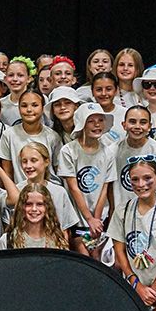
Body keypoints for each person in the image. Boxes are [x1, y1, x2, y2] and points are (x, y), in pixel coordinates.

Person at [107, 157, 156, 311]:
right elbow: (119, 251)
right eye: (135, 179)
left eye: (147, 178)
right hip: (134, 285)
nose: (141, 184)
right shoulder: (123, 211)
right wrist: (135, 283)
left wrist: (153, 290)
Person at [57, 102, 116, 258]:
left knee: (99, 259)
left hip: (99, 218)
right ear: (82, 124)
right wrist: (88, 219)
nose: (97, 125)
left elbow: (105, 187)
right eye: (91, 121)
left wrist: (96, 220)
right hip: (77, 218)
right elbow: (73, 187)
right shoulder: (68, 151)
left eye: (100, 120)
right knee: (84, 258)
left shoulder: (108, 152)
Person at [112, 105, 156, 208]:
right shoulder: (113, 150)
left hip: (151, 210)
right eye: (132, 122)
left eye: (143, 122)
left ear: (149, 126)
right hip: (122, 211)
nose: (137, 126)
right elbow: (110, 187)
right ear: (124, 125)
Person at [15, 142, 79, 241]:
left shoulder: (59, 192)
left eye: (33, 160)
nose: (28, 165)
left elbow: (65, 230)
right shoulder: (15, 191)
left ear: (46, 161)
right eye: (24, 161)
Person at [0, 89, 61, 185]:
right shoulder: (9, 135)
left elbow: (58, 169)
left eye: (35, 105)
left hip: (48, 191)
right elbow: (8, 172)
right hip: (21, 192)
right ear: (18, 108)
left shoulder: (52, 136)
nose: (29, 110)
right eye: (24, 106)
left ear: (43, 108)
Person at [0, 183, 70, 250]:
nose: (34, 209)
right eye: (29, 204)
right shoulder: (8, 240)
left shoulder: (58, 239)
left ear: (48, 207)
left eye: (39, 204)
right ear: (21, 206)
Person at [89, 72, 125, 144]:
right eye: (99, 89)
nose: (104, 93)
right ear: (92, 91)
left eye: (108, 89)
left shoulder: (126, 114)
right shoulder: (86, 113)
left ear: (116, 90)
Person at [0, 57, 34, 125]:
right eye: (11, 75)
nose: (15, 79)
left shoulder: (40, 99)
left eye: (20, 75)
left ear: (29, 78)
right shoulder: (0, 104)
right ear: (5, 79)